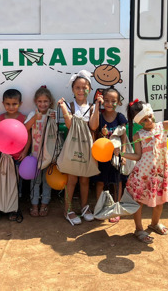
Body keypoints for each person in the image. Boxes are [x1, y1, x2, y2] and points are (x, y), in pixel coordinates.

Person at [114, 100, 168, 243]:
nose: (148, 121)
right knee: (138, 202)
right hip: (144, 175)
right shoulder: (137, 136)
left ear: (152, 113)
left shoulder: (163, 126)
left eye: (149, 117)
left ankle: (154, 223)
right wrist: (121, 154)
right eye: (143, 120)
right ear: (138, 122)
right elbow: (137, 156)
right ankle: (138, 229)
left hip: (161, 173)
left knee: (160, 202)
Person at [58, 70, 98, 225]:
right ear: (73, 89)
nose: (81, 91)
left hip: (88, 148)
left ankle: (84, 207)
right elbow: (69, 125)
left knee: (85, 180)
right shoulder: (69, 105)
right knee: (72, 180)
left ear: (89, 89)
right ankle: (67, 209)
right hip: (73, 148)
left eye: (84, 87)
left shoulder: (93, 107)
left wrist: (98, 105)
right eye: (77, 88)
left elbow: (94, 126)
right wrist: (62, 107)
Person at [89, 87, 128, 223]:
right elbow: (95, 134)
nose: (109, 103)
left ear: (119, 103)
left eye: (113, 101)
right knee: (100, 182)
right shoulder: (99, 116)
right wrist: (103, 133)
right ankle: (100, 208)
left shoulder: (120, 117)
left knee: (117, 183)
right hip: (102, 157)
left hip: (116, 157)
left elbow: (123, 137)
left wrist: (122, 153)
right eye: (106, 100)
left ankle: (116, 209)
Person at [24, 86, 56, 217]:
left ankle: (44, 204)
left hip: (48, 155)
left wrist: (54, 119)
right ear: (36, 102)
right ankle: (34, 204)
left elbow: (58, 132)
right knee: (35, 181)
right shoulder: (33, 114)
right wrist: (35, 119)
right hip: (35, 155)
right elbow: (25, 128)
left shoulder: (53, 113)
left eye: (46, 101)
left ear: (50, 102)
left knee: (47, 181)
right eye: (40, 101)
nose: (43, 104)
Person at [0, 89, 27, 220]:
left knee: (16, 184)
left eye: (14, 104)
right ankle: (0, 207)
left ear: (20, 103)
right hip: (3, 158)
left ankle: (14, 209)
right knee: (3, 183)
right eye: (8, 104)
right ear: (3, 103)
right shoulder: (0, 118)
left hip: (18, 158)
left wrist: (25, 152)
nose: (11, 107)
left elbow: (28, 136)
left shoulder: (23, 118)